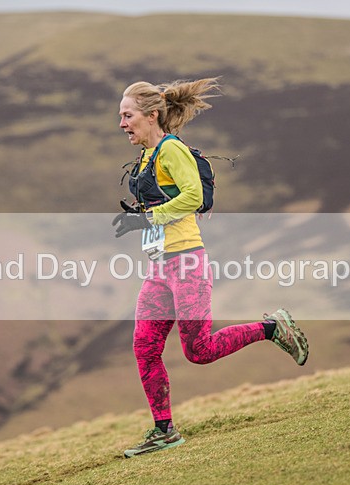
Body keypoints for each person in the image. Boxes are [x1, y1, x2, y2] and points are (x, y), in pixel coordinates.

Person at [113, 77, 309, 458]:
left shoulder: (171, 150)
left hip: (186, 262)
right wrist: (141, 216)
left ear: (151, 115)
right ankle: (164, 430)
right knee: (144, 347)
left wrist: (147, 219)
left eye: (127, 115)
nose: (121, 124)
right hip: (159, 267)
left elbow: (194, 197)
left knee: (199, 350)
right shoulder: (147, 156)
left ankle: (273, 327)